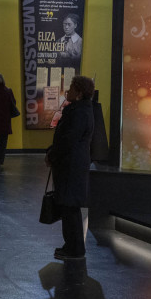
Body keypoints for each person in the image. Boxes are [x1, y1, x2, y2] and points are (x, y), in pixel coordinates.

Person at [45, 75, 94, 261]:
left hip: (71, 166)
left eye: (72, 88)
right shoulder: (80, 110)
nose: (68, 91)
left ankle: (75, 249)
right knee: (69, 207)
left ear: (79, 93)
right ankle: (71, 246)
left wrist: (52, 155)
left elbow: (68, 140)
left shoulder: (79, 112)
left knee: (70, 207)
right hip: (70, 164)